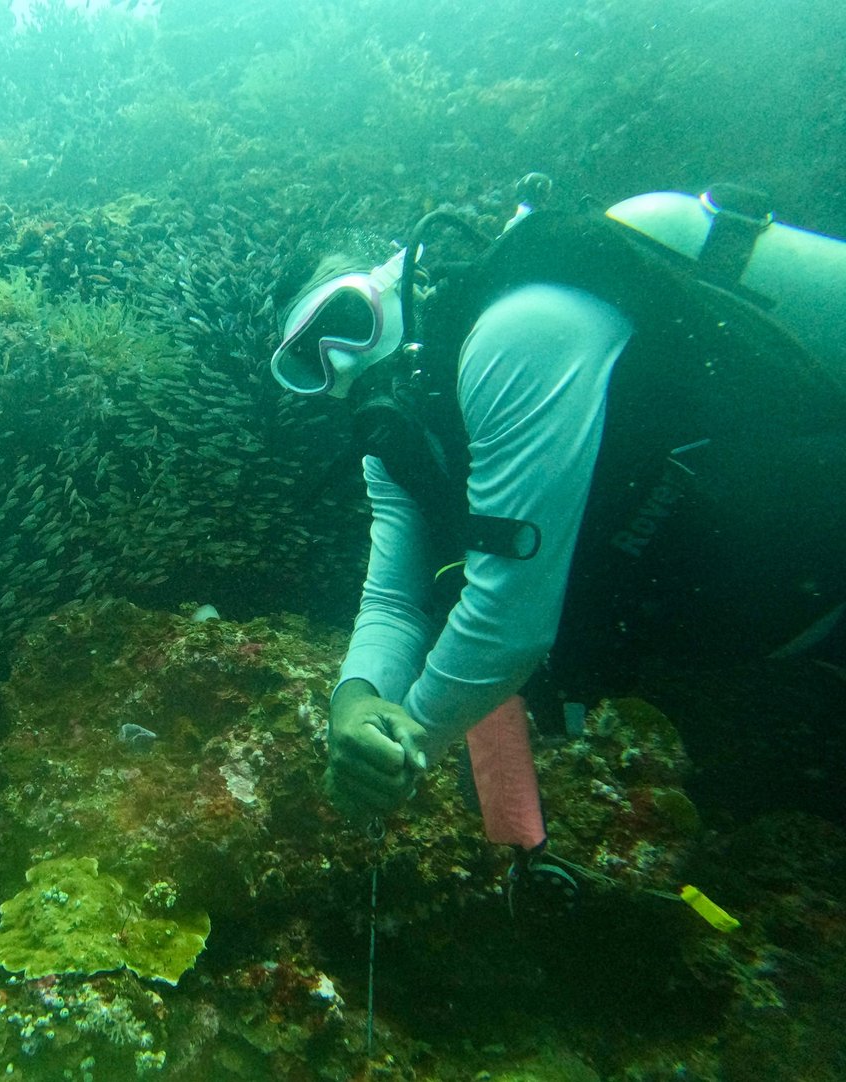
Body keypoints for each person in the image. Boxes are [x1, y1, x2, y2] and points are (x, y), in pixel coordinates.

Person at [269, 177, 846, 828]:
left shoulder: (518, 332)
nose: (340, 366)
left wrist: (406, 746)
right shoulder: (399, 444)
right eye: (307, 368)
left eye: (345, 321)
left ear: (400, 274)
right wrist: (353, 700)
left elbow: (509, 623)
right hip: (794, 623)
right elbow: (393, 602)